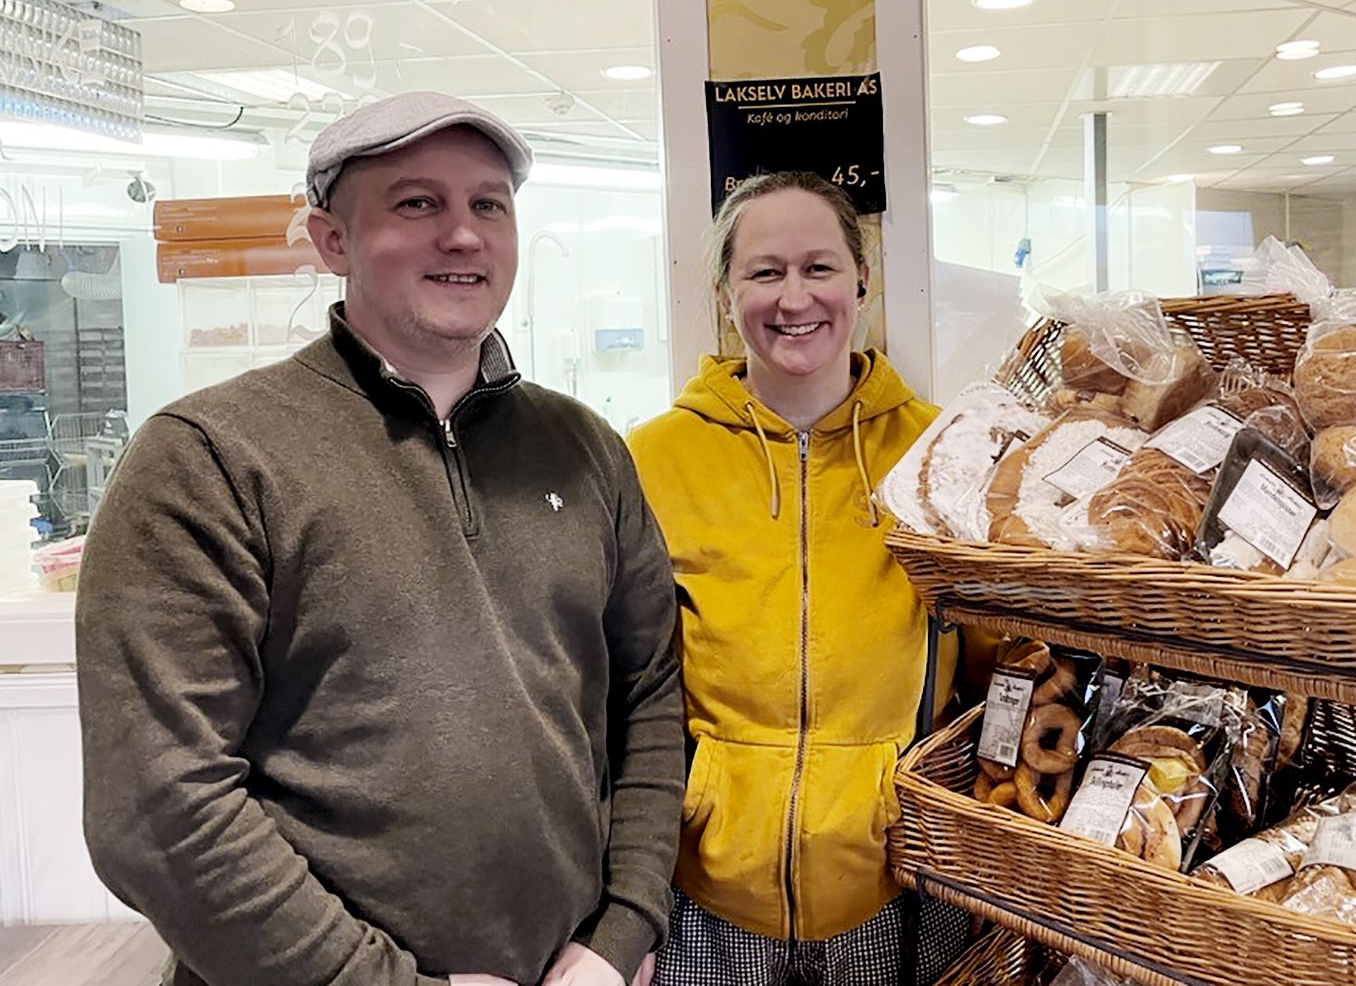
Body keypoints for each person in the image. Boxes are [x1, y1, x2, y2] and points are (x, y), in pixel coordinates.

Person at [76, 91, 683, 986]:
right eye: (417, 202)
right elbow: (159, 804)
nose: (463, 235)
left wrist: (622, 929)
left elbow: (650, 697)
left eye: (488, 204)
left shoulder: (585, 448)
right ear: (332, 241)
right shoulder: (209, 457)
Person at [626, 171, 975, 985]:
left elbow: (1005, 663)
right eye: (765, 271)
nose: (794, 298)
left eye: (819, 267)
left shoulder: (941, 452)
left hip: (899, 889)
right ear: (725, 293)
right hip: (706, 899)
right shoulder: (650, 458)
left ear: (862, 280)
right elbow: (621, 684)